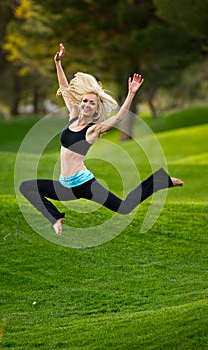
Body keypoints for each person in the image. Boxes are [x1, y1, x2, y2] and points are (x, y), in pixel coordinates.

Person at [19, 43, 183, 236]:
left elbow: (119, 118)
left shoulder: (92, 131)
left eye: (92, 103)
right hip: (64, 186)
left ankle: (160, 181)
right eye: (85, 101)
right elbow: (64, 88)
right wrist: (58, 63)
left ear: (96, 109)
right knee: (27, 187)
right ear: (80, 103)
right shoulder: (72, 115)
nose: (87, 104)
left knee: (123, 207)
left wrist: (131, 93)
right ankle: (55, 217)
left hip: (84, 184)